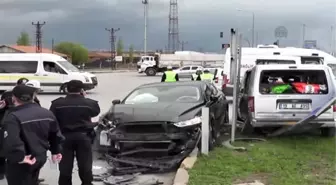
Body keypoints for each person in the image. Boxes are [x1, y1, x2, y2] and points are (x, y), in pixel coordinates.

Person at [2, 85, 63, 185]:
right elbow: (55, 134)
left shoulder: (13, 116)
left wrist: (20, 157)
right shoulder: (47, 113)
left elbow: (12, 140)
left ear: (14, 98)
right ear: (33, 97)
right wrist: (56, 151)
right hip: (39, 158)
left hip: (22, 161)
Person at [50, 80, 100, 185]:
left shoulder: (57, 103)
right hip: (83, 137)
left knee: (65, 166)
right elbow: (96, 112)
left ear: (67, 89)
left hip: (64, 138)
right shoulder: (89, 103)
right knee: (85, 165)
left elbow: (52, 118)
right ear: (82, 90)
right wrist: (84, 98)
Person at [0, 78, 42, 181]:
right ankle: (2, 172)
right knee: (4, 149)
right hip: (9, 124)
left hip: (24, 126)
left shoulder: (32, 98)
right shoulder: (8, 95)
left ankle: (31, 176)